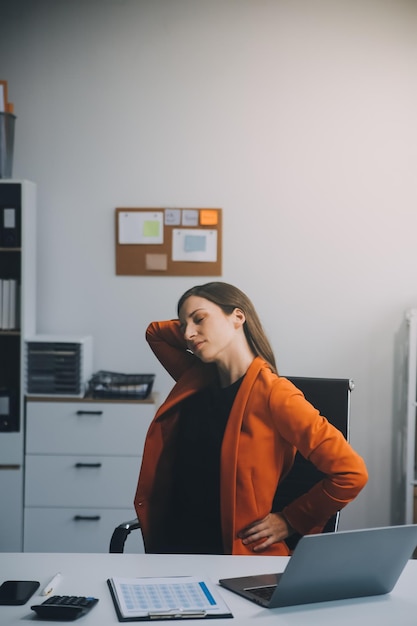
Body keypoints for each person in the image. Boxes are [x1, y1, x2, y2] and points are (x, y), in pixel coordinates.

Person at [134, 282, 368, 556]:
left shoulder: (274, 394)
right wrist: (198, 325)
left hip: (231, 558)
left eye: (199, 319)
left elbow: (351, 473)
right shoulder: (196, 378)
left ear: (238, 316)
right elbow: (155, 333)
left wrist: (291, 519)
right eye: (183, 325)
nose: (187, 333)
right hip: (170, 551)